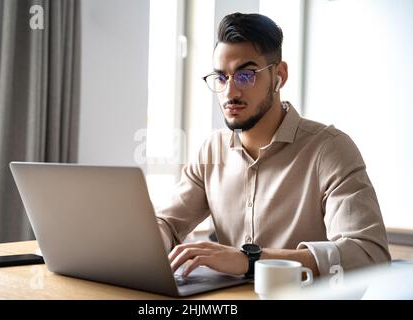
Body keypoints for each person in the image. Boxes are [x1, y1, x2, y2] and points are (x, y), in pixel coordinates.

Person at [156, 12, 391, 279]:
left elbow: (368, 254)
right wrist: (153, 241)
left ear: (279, 75)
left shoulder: (330, 150)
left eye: (245, 75)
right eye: (221, 78)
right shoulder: (211, 151)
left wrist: (252, 261)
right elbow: (166, 222)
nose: (230, 92)